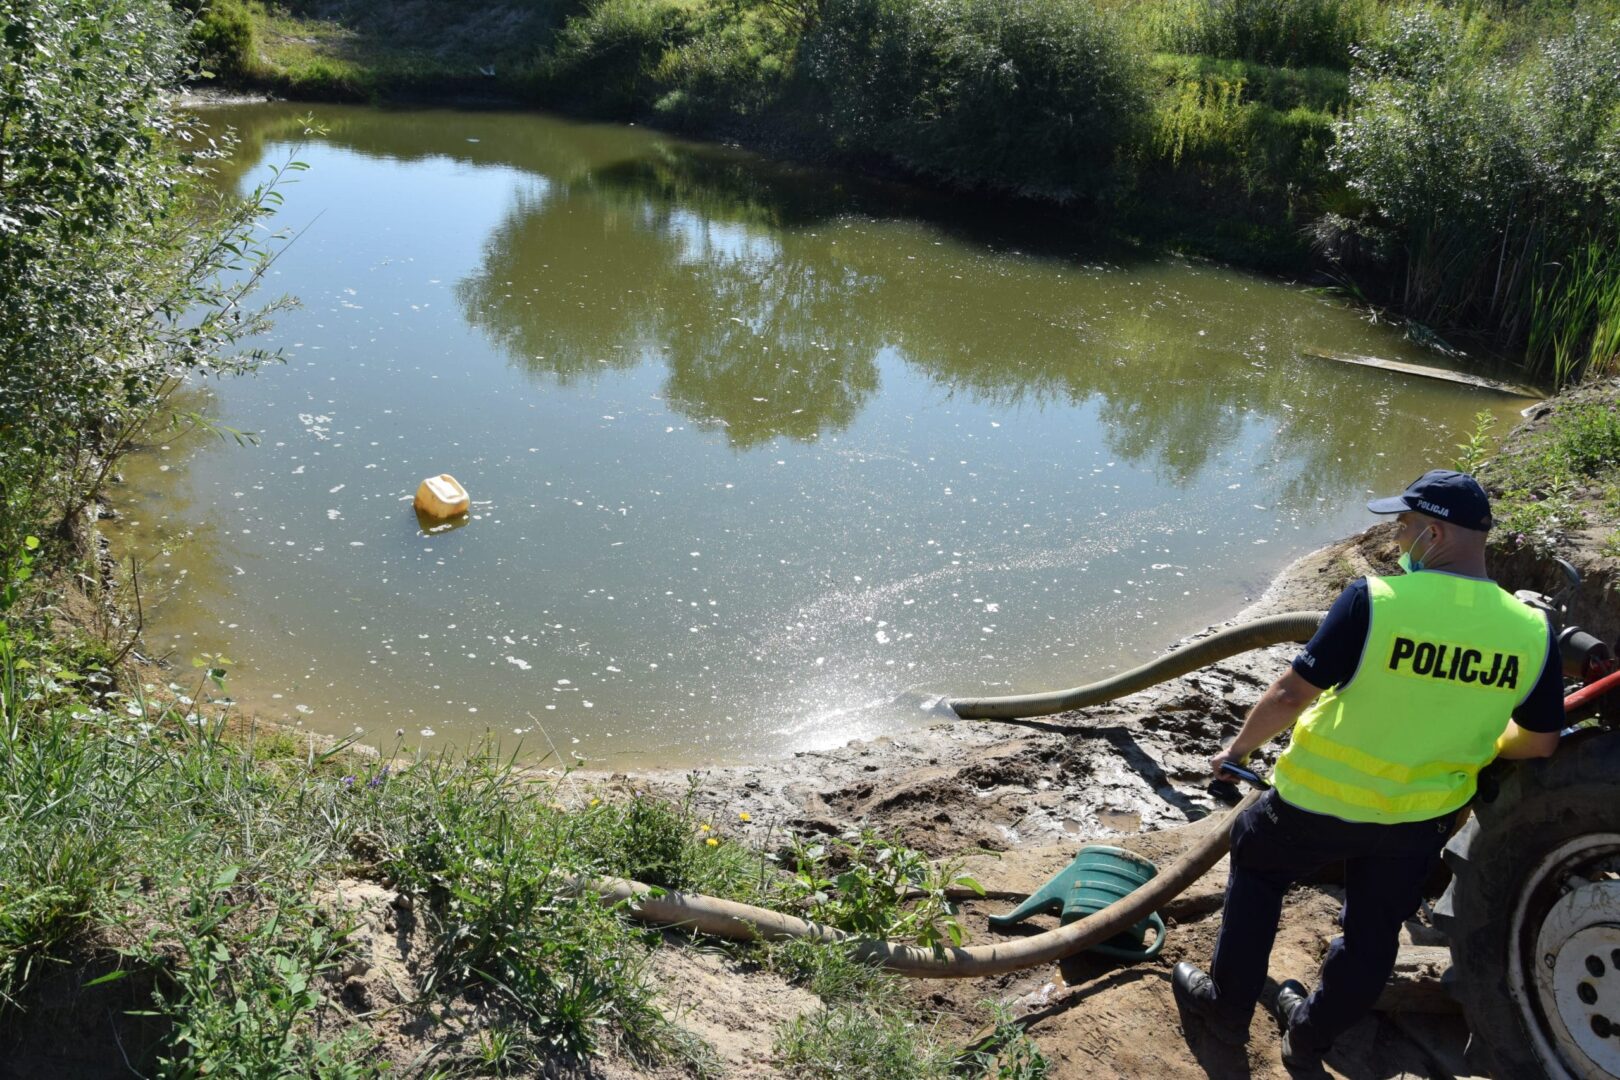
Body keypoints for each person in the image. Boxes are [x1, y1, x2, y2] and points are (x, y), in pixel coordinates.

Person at [1171, 469, 1564, 1066]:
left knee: (1256, 861)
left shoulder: (1376, 601)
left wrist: (1236, 752)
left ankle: (1226, 1012)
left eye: (1404, 526)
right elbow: (1537, 743)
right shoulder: (1532, 631)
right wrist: (1481, 737)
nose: (1398, 539)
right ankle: (1308, 1039)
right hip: (1419, 818)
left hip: (1316, 803)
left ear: (1434, 534)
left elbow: (1288, 696)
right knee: (1373, 935)